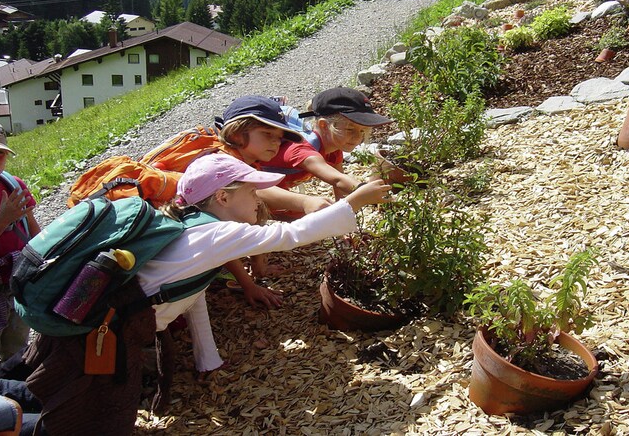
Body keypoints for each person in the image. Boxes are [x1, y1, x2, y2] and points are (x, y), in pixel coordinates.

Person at [20, 154, 393, 434]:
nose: (259, 202)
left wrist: (208, 358)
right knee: (81, 416)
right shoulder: (215, 235)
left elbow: (191, 295)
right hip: (96, 340)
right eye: (251, 192)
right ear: (223, 198)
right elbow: (288, 236)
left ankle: (2, 404)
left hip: (92, 329)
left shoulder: (191, 228)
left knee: (47, 388)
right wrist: (354, 202)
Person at [214, 95, 333, 287]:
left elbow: (257, 208)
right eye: (267, 134)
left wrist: (259, 268)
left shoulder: (249, 161)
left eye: (279, 137)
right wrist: (249, 286)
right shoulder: (221, 162)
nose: (276, 143)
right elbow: (219, 237)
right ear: (236, 134)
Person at [259, 87, 393, 219]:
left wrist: (343, 223)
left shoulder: (334, 148)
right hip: (255, 190)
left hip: (276, 188)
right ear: (324, 125)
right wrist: (364, 190)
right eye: (350, 129)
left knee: (319, 218)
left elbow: (339, 189)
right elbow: (338, 179)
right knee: (313, 217)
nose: (357, 137)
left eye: (362, 131)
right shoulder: (301, 150)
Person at [0, 119, 41, 375]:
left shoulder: (13, 184)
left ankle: (12, 392)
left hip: (17, 281)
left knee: (17, 346)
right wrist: (3, 218)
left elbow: (30, 226)